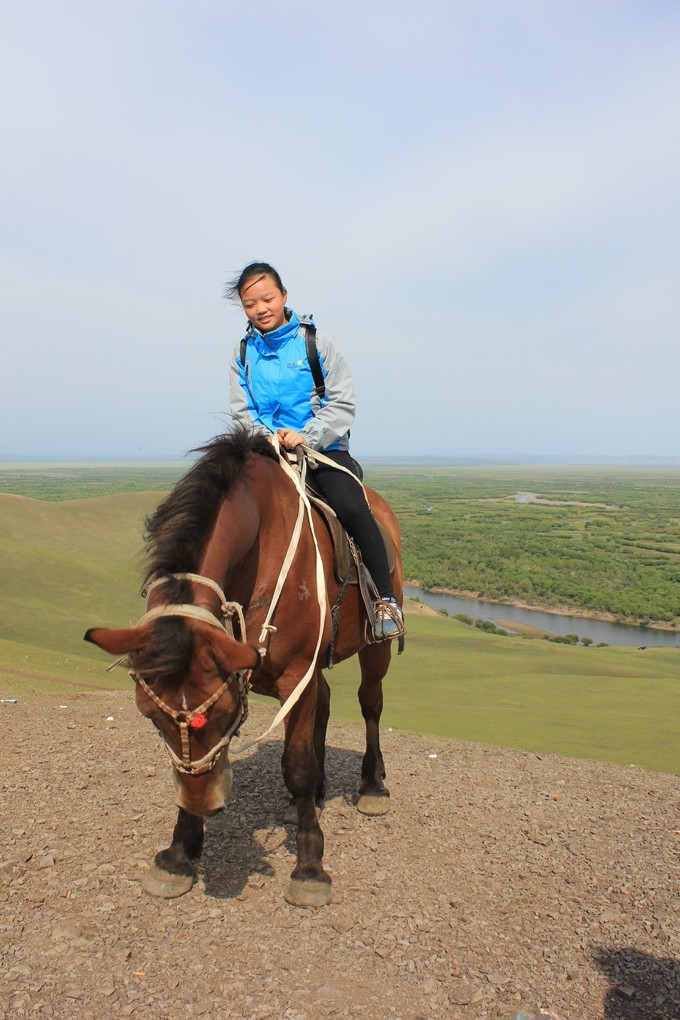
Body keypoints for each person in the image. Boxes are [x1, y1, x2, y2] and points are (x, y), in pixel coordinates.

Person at [226, 260, 403, 640]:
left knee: (353, 506)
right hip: (263, 450)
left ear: (284, 296)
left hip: (320, 449)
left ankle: (386, 600)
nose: (260, 309)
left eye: (267, 298)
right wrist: (266, 438)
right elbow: (242, 411)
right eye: (250, 303)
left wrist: (307, 435)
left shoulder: (317, 343)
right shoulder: (242, 354)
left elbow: (342, 402)